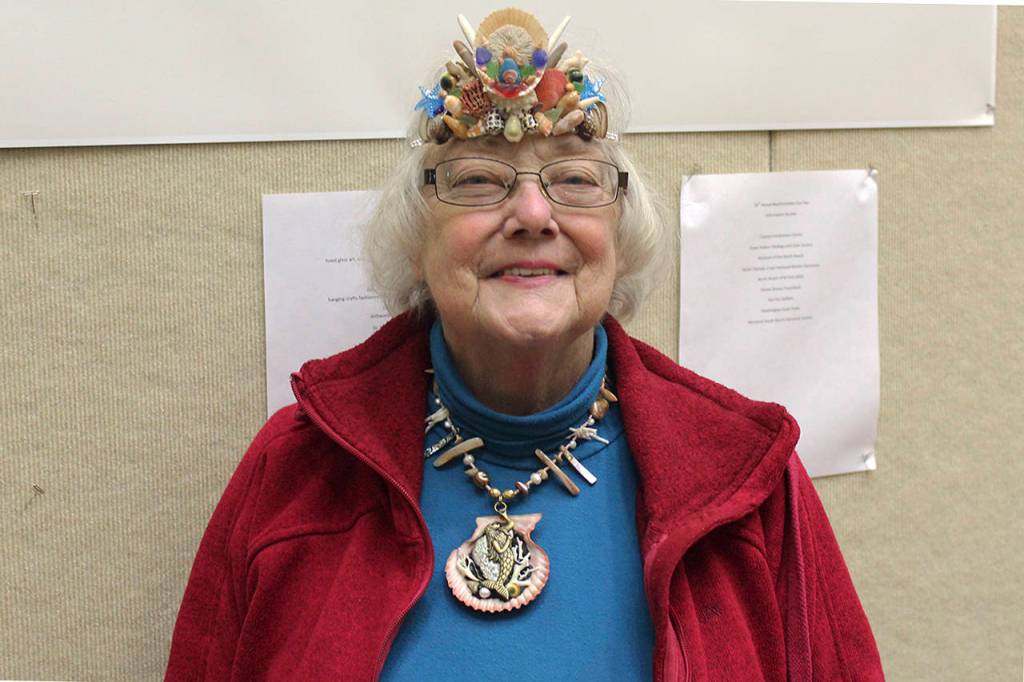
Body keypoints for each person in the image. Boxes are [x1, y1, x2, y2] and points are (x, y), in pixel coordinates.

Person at [165, 8, 883, 680]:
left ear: (620, 240)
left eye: (574, 179)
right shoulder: (291, 471)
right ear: (418, 241)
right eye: (479, 180)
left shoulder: (749, 480)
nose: (534, 213)